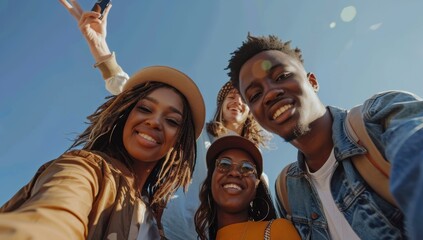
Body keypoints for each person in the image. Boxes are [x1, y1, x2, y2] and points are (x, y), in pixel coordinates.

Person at [58, 2, 272, 239]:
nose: (236, 101)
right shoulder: (197, 134)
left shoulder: (255, 168)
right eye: (230, 96)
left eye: (243, 98)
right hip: (167, 228)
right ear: (220, 105)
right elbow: (132, 94)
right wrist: (99, 46)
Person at [226, 34, 423, 239]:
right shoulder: (286, 189)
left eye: (281, 76)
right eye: (255, 95)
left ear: (312, 81)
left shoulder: (380, 116)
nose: (269, 94)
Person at [0, 65, 206, 239]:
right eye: (144, 108)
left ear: (179, 143)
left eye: (171, 121)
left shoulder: (157, 221)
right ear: (125, 116)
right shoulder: (84, 169)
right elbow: (49, 221)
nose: (154, 121)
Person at [194, 135, 300, 240]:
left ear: (256, 185)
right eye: (224, 164)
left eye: (247, 168)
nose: (234, 172)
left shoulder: (277, 230)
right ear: (211, 178)